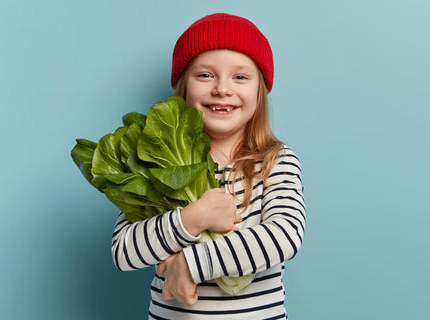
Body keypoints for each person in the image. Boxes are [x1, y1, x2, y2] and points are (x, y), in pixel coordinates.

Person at [111, 13, 305, 319]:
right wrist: (192, 218)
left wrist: (191, 263)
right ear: (184, 87)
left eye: (240, 77)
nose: (222, 89)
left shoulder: (274, 160)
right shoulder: (156, 166)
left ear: (260, 91)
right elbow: (123, 252)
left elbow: (284, 235)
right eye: (205, 75)